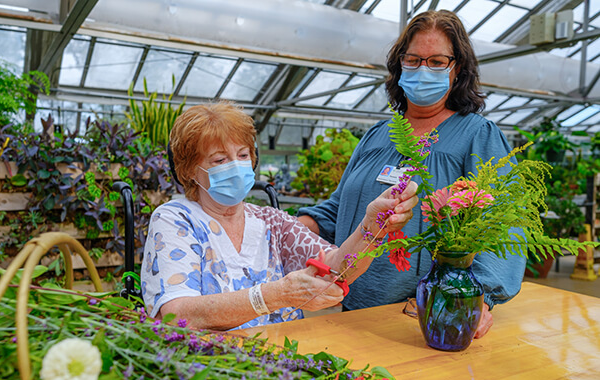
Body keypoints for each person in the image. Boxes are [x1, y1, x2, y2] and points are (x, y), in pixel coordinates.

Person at [297, 10, 526, 339]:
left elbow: (507, 223)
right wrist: (278, 231)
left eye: (436, 62)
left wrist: (480, 298)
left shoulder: (477, 135)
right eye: (414, 59)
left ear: (457, 68)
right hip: (350, 309)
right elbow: (338, 210)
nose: (423, 69)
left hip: (424, 316)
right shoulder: (378, 135)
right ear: (399, 64)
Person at [141, 102, 418, 330]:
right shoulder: (175, 220)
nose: (236, 166)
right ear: (188, 170)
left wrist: (371, 227)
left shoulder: (272, 222)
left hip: (282, 367)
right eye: (219, 160)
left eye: (242, 154)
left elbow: (335, 268)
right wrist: (275, 295)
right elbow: (175, 314)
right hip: (211, 368)